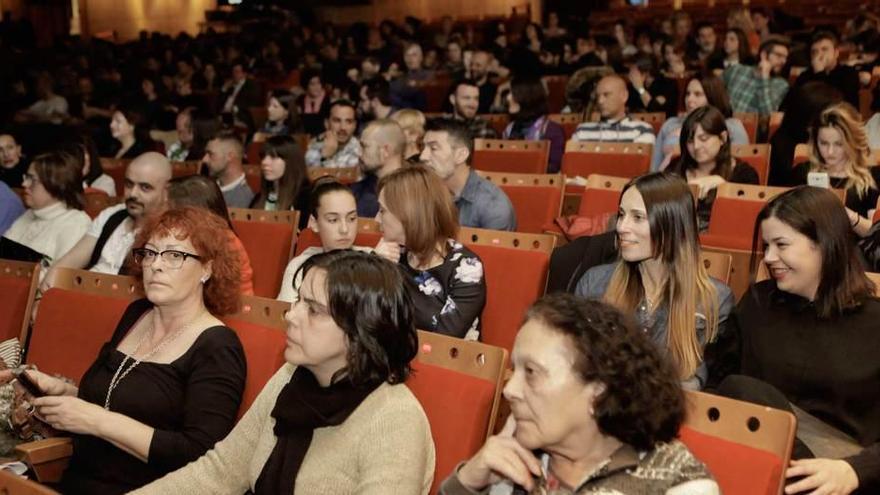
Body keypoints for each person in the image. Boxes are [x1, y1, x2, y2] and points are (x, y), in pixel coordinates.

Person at [132, 250, 435, 495]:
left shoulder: (395, 419)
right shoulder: (293, 376)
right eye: (298, 300)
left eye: (314, 310)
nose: (291, 315)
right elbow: (221, 472)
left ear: (361, 331)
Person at [22, 206, 247, 494]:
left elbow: (200, 455)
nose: (156, 265)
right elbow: (121, 400)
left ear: (207, 268)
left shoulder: (218, 346)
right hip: (78, 479)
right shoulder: (137, 314)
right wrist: (63, 392)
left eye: (175, 255)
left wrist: (95, 420)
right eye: (150, 253)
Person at [440, 294, 719, 494]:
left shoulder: (675, 482)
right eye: (515, 370)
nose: (509, 390)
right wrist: (466, 483)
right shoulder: (513, 459)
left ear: (598, 392)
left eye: (532, 373)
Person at [713, 186, 880, 495]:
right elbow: (716, 387)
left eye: (781, 244)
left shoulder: (874, 323)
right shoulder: (759, 304)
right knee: (741, 390)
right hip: (759, 468)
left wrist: (855, 469)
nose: (769, 257)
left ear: (825, 243)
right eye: (766, 245)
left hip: (843, 480)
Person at [576, 172, 734, 389]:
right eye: (622, 215)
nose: (622, 227)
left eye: (638, 217)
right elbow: (575, 364)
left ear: (672, 225)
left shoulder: (713, 299)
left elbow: (699, 386)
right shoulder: (595, 283)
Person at [374, 165, 486, 339]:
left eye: (382, 211)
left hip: (445, 361)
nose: (376, 219)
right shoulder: (390, 254)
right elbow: (360, 322)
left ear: (409, 215)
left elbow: (443, 340)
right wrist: (374, 268)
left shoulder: (466, 268)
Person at [43, 152, 171, 283]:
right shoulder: (112, 215)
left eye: (145, 188)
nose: (133, 194)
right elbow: (64, 267)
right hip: (82, 293)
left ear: (166, 191)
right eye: (128, 184)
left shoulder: (172, 232)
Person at [789, 103, 880, 237]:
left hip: (852, 250)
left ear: (852, 142)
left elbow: (874, 235)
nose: (830, 152)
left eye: (838, 144)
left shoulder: (871, 177)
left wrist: (840, 210)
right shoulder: (802, 172)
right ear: (815, 142)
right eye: (824, 143)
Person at [278, 179, 371, 302]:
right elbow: (287, 316)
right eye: (333, 220)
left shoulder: (372, 260)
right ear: (314, 223)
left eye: (352, 218)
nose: (344, 229)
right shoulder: (300, 266)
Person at [669, 106, 760, 231]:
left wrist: (724, 186)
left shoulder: (744, 174)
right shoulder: (676, 167)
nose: (696, 146)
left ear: (723, 138)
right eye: (690, 140)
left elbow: (746, 222)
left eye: (703, 139)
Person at [421, 118, 516, 231]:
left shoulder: (493, 205)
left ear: (461, 155)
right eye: (423, 148)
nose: (423, 156)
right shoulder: (420, 191)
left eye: (433, 148)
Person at [166, 175, 254, 295]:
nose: (165, 220)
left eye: (173, 215)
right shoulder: (171, 237)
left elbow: (221, 297)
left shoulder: (227, 244)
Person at [1, 151, 91, 266]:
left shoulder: (77, 223)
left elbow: (59, 277)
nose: (24, 184)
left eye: (32, 179)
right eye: (26, 177)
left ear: (56, 184)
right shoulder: (30, 214)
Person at [653, 75, 749, 171]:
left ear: (712, 97)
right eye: (687, 94)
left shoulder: (732, 127)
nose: (689, 99)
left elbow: (739, 168)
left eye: (697, 94)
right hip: (671, 179)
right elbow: (654, 166)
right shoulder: (671, 124)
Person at [502, 76, 565, 173]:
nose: (508, 97)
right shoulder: (509, 129)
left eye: (513, 93)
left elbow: (553, 169)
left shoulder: (552, 131)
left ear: (527, 96)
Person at [785, 30, 860, 110]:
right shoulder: (805, 76)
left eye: (824, 49)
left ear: (836, 53)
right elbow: (791, 102)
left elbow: (832, 102)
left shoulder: (848, 73)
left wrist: (819, 74)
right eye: (814, 52)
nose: (819, 55)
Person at [571, 75, 655, 144]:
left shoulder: (641, 130)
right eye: (598, 96)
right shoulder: (582, 131)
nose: (600, 101)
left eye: (606, 95)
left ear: (624, 96)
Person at [351, 118, 405, 217]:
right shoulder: (354, 192)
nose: (358, 153)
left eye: (364, 146)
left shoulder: (414, 194)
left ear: (385, 151)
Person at [723, 36, 790, 115]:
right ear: (764, 55)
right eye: (779, 55)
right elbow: (713, 93)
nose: (783, 61)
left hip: (750, 126)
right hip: (724, 122)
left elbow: (768, 114)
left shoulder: (781, 84)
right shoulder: (737, 70)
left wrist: (764, 78)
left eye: (785, 58)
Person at [251, 135, 310, 223]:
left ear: (291, 161)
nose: (264, 162)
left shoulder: (305, 197)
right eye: (263, 156)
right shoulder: (260, 197)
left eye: (273, 157)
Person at [201, 132, 254, 209]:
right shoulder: (207, 188)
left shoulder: (243, 198)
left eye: (211, 154)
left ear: (230, 156)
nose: (204, 160)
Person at [304, 100, 362, 168]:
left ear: (354, 125)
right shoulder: (316, 145)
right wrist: (324, 155)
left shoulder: (360, 151)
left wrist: (326, 158)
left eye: (348, 121)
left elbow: (341, 178)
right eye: (337, 121)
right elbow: (308, 173)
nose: (343, 127)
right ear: (327, 123)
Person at [296, 70, 331, 137]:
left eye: (319, 83)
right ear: (306, 86)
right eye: (312, 84)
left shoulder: (328, 100)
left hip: (324, 136)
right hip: (305, 136)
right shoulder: (300, 100)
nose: (316, 87)